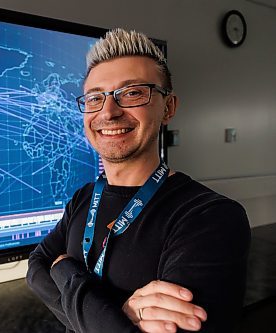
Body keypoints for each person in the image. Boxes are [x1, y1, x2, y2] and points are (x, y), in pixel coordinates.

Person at [26, 28, 251, 333]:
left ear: (168, 108)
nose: (108, 111)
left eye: (132, 93)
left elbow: (50, 268)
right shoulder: (84, 197)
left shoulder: (210, 217)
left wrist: (64, 270)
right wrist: (115, 316)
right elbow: (37, 266)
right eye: (95, 98)